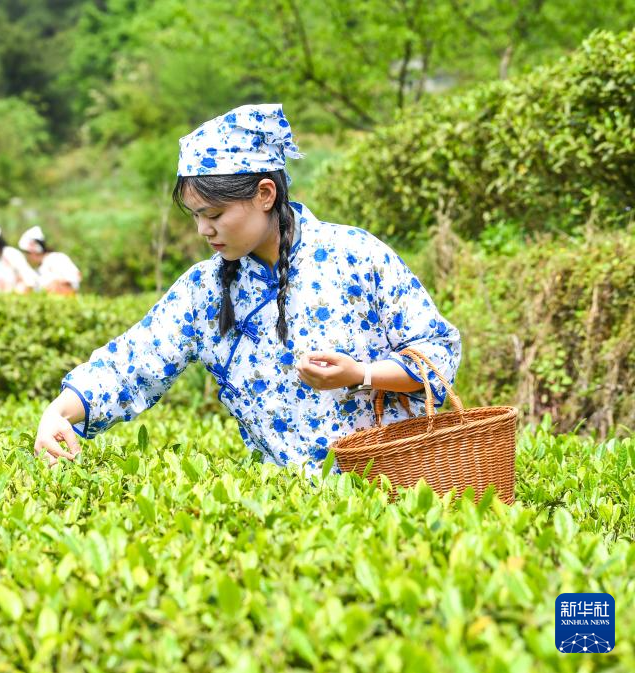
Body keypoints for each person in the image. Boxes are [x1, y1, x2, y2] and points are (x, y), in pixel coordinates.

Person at [32, 103, 461, 473]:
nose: (203, 230)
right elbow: (130, 365)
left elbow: (438, 352)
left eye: (214, 214)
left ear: (265, 194)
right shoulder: (203, 291)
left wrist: (360, 375)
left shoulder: (355, 255)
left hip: (396, 489)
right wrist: (59, 411)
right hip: (291, 510)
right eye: (196, 216)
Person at [18, 226, 82, 295]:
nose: (28, 256)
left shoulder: (56, 258)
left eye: (28, 253)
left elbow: (76, 276)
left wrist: (56, 284)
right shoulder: (39, 268)